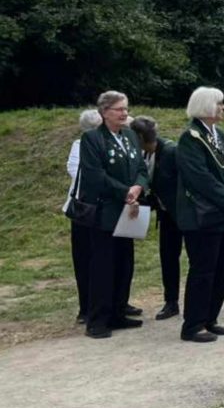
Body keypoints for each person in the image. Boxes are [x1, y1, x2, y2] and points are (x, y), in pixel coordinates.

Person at [70, 92, 148, 339]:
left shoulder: (131, 137)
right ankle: (97, 320)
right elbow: (95, 175)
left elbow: (141, 169)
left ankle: (118, 312)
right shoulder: (92, 139)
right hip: (106, 211)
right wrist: (124, 191)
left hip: (129, 210)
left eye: (125, 108)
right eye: (118, 109)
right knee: (103, 266)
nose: (124, 113)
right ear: (104, 112)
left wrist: (138, 187)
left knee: (124, 263)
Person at [175, 87, 224, 343]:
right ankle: (192, 324)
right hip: (202, 216)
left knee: (223, 268)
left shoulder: (221, 135)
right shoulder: (190, 138)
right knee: (203, 270)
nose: (223, 108)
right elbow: (200, 178)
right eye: (219, 104)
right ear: (206, 106)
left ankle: (210, 317)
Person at [130, 116, 182, 321]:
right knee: (168, 258)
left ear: (140, 137)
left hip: (184, 214)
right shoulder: (144, 153)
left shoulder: (170, 151)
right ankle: (171, 302)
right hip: (166, 215)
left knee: (195, 258)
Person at [65, 109, 102, 325]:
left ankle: (113, 302)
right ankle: (85, 307)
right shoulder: (79, 146)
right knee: (84, 259)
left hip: (103, 209)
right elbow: (80, 173)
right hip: (84, 210)